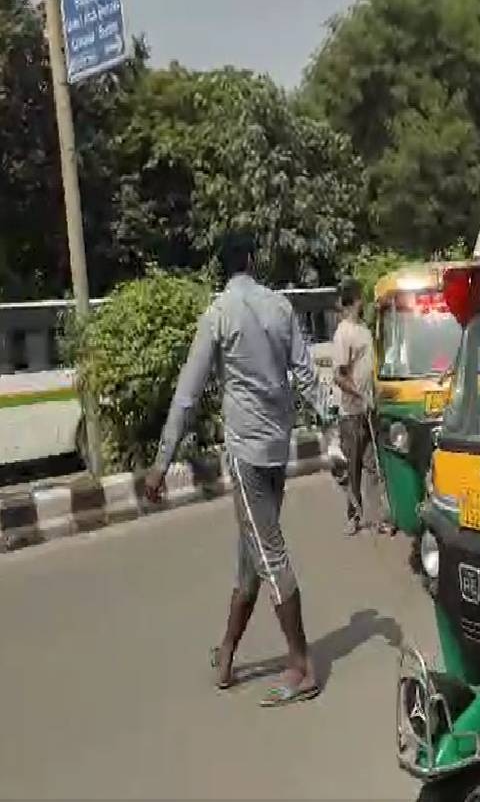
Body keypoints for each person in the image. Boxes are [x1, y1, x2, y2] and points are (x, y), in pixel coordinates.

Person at [145, 232, 323, 706]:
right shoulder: (281, 308)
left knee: (269, 556)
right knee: (252, 556)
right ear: (251, 260)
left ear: (223, 268)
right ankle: (226, 653)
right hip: (277, 448)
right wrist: (335, 423)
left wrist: (161, 463)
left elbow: (188, 393)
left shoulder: (218, 314)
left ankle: (301, 664)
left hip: (246, 453)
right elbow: (306, 377)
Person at [331, 279, 391, 536]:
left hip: (369, 410)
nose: (363, 303)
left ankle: (379, 518)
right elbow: (339, 376)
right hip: (352, 414)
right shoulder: (344, 333)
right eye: (361, 299)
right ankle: (353, 517)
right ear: (355, 301)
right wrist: (360, 396)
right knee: (353, 468)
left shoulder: (364, 330)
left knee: (374, 466)